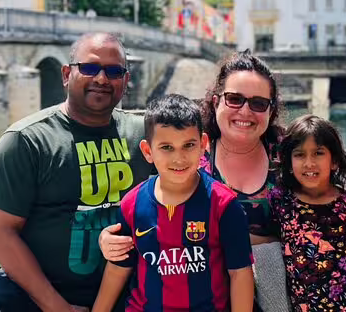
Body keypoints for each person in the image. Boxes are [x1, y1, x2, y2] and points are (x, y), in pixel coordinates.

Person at [0, 32, 153, 312]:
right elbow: (1, 235)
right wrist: (57, 307)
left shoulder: (145, 135)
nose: (102, 79)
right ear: (67, 74)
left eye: (114, 71)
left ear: (126, 81)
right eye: (90, 68)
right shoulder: (26, 139)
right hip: (30, 293)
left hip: (123, 290)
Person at [100, 50, 289, 311]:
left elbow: (325, 211)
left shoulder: (291, 155)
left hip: (270, 288)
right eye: (234, 99)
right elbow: (145, 214)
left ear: (271, 109)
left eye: (258, 103)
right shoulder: (188, 155)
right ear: (215, 101)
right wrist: (112, 240)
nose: (245, 111)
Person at [92, 94, 254, 312]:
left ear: (203, 145)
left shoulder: (224, 205)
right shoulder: (131, 204)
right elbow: (118, 268)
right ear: (148, 151)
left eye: (188, 145)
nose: (179, 158)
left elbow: (240, 273)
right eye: (167, 147)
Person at [269, 115, 346, 312]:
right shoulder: (281, 202)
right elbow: (267, 241)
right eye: (299, 155)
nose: (309, 163)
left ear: (334, 161)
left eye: (318, 153)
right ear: (289, 163)